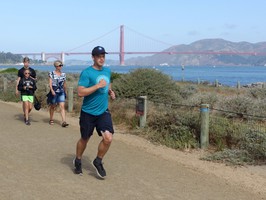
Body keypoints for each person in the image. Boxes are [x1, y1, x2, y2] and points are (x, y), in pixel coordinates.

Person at [73, 46, 116, 179]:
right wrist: (97, 86)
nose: (101, 59)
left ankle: (98, 160)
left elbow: (108, 83)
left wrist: (110, 91)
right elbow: (80, 92)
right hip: (88, 112)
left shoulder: (107, 71)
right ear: (93, 57)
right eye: (99, 56)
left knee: (108, 138)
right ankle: (78, 160)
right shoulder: (87, 73)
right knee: (85, 139)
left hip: (103, 112)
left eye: (103, 56)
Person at [48, 60, 69, 127]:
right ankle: (51, 119)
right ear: (56, 66)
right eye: (60, 65)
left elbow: (64, 84)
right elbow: (50, 83)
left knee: (62, 106)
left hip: (61, 92)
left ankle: (64, 121)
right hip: (54, 91)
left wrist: (66, 91)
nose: (61, 66)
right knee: (53, 106)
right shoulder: (51, 73)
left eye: (61, 65)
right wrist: (52, 90)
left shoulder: (63, 74)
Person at [16, 57, 37, 122]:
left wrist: (30, 78)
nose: (26, 64)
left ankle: (26, 113)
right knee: (25, 104)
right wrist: (16, 89)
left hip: (31, 90)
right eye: (25, 62)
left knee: (30, 107)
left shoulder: (32, 70)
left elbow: (35, 79)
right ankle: (26, 118)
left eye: (27, 62)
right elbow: (18, 80)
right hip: (23, 90)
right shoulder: (20, 70)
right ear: (23, 62)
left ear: (29, 62)